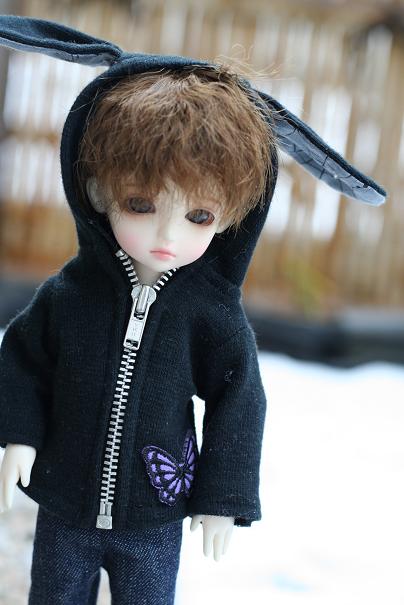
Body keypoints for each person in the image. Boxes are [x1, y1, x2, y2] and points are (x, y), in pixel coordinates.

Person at [0, 15, 386, 605]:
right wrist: (19, 434)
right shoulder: (69, 295)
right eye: (140, 204)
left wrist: (221, 496)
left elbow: (239, 397)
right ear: (99, 192)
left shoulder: (210, 314)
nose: (166, 235)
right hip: (64, 502)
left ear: (229, 217)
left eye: (198, 216)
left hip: (154, 516)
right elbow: (24, 358)